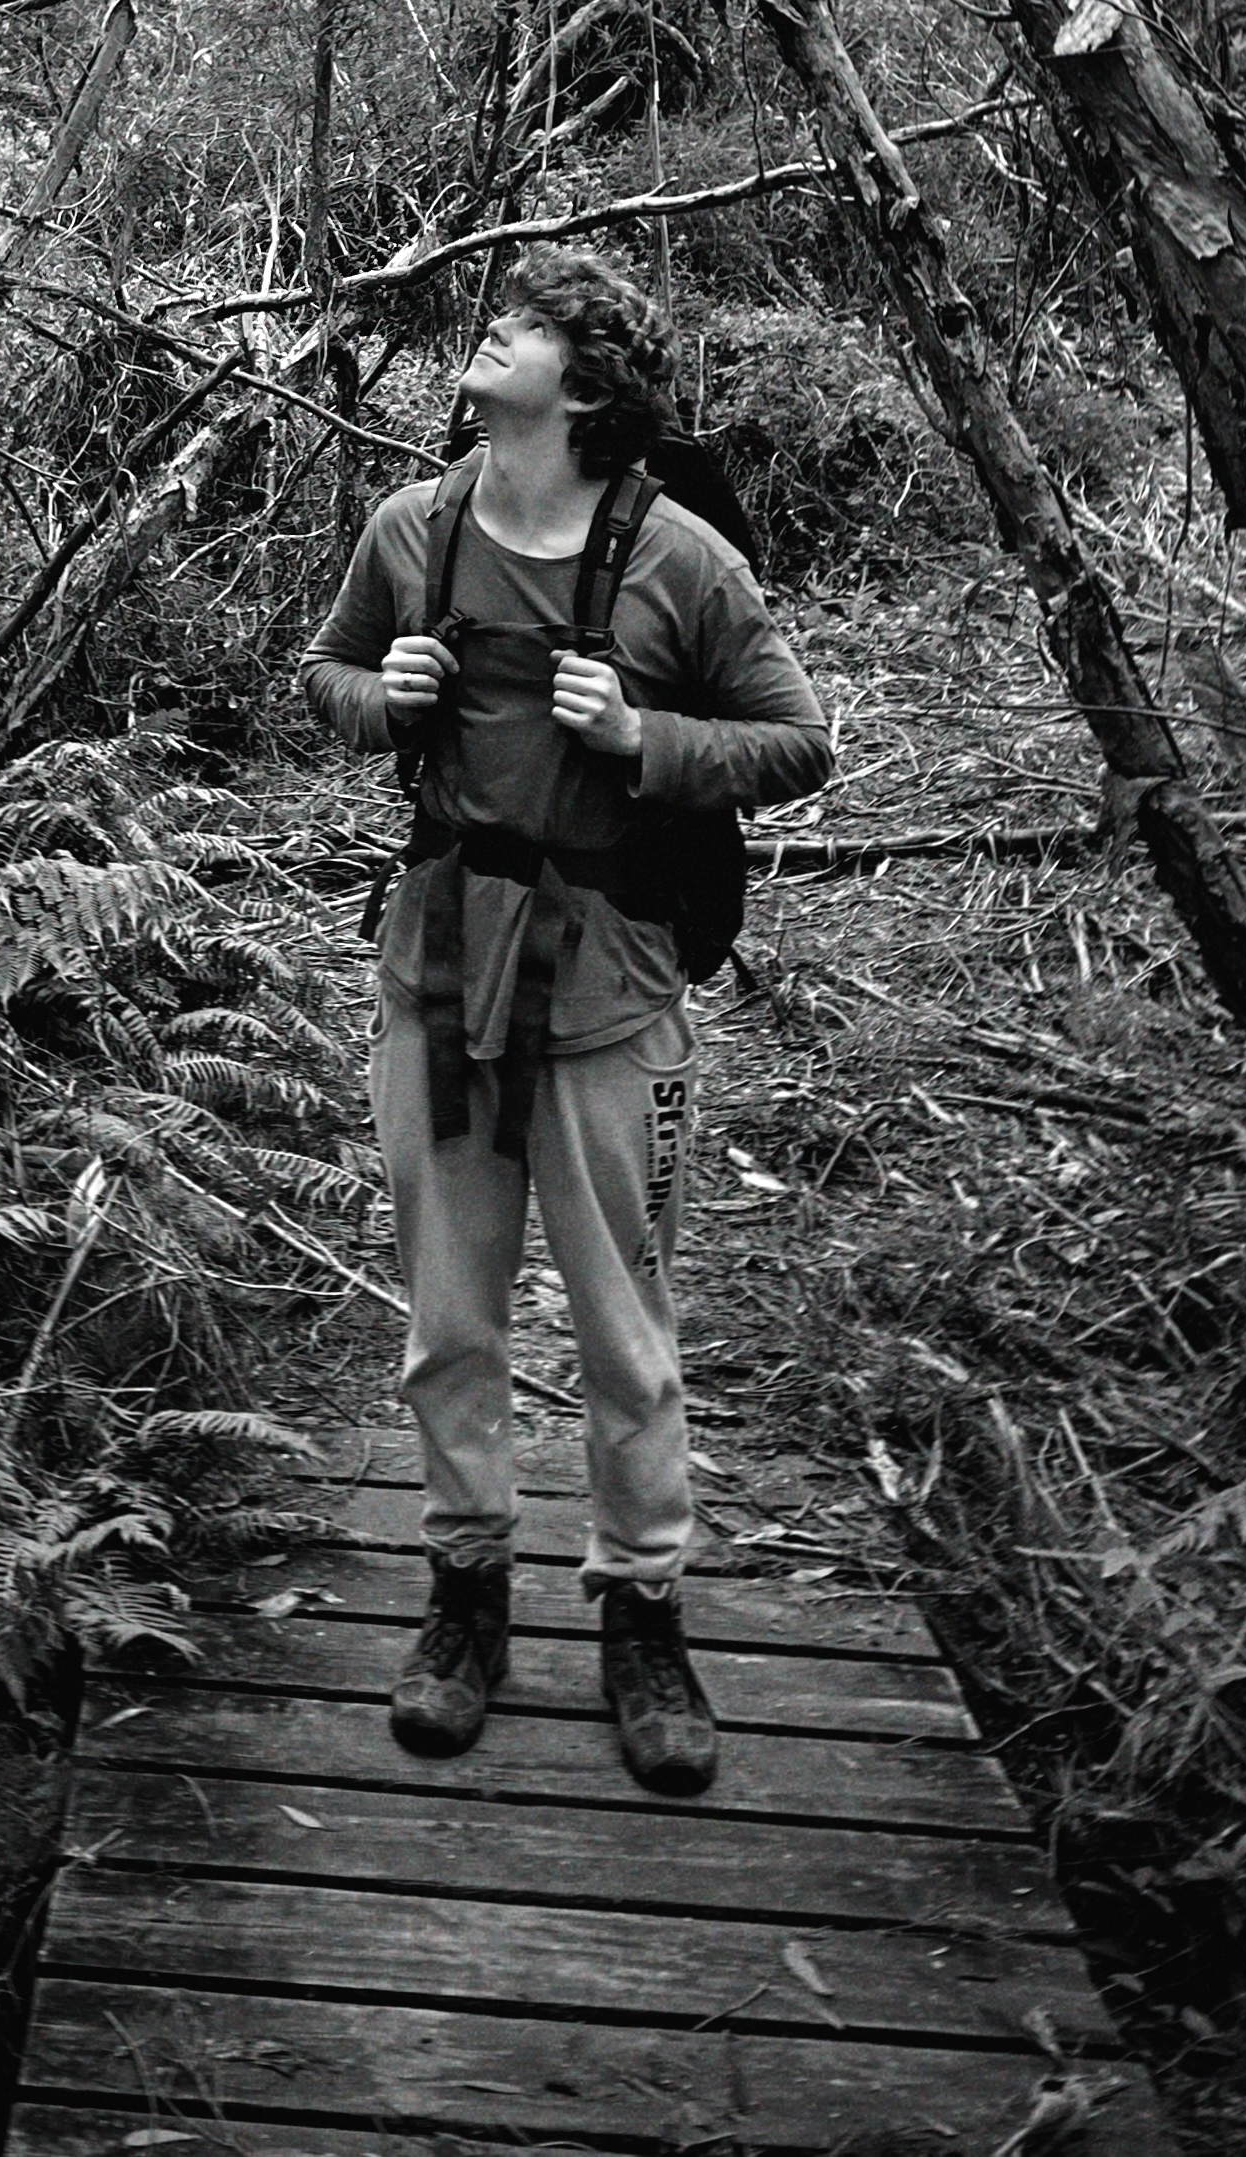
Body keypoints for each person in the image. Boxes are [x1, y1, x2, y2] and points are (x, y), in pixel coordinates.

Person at [301, 249, 832, 1795]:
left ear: (583, 389)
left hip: (612, 993)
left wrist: (643, 735)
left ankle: (643, 1610)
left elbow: (798, 737)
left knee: (623, 1331)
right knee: (450, 1321)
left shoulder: (681, 561)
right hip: (439, 977)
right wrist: (378, 696)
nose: (491, 337)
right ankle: (465, 1596)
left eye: (522, 327)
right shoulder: (413, 528)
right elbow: (324, 673)